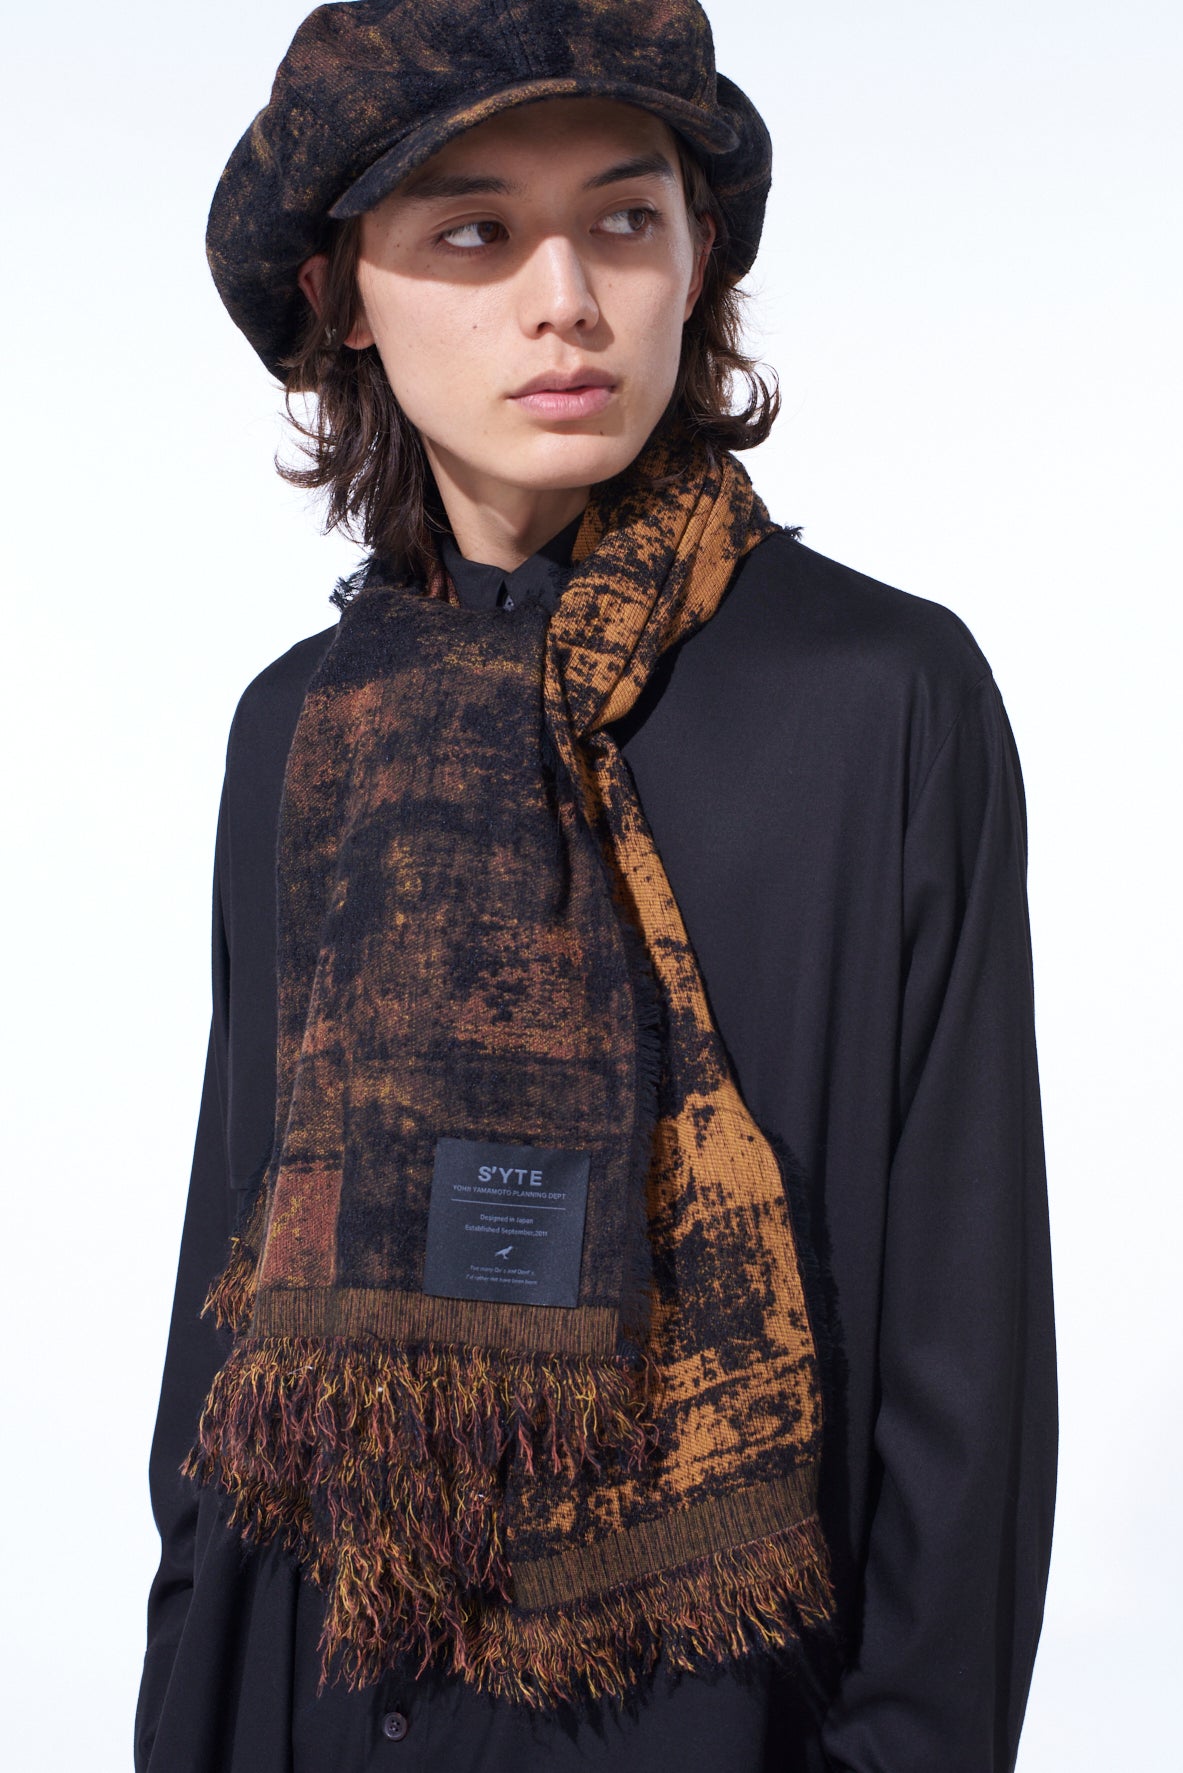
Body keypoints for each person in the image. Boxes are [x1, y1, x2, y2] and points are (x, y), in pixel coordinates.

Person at [135, 3, 1057, 1769]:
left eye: (625, 219)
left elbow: (968, 1376)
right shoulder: (301, 731)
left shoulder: (883, 702)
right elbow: (220, 1341)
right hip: (306, 1704)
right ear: (341, 292)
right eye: (475, 231)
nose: (565, 298)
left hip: (705, 1717)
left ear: (698, 258)